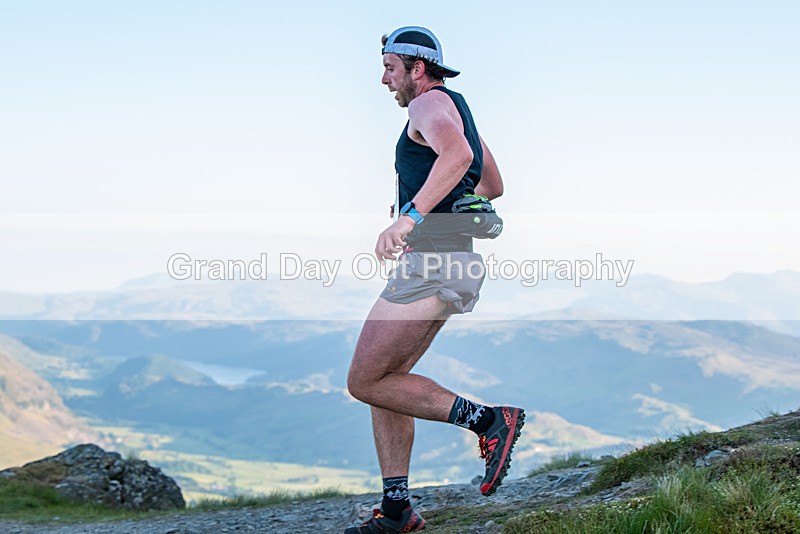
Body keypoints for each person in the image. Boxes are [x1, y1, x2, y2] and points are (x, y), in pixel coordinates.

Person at [345, 26, 525, 533]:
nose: (384, 80)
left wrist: (409, 217)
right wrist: (446, 200)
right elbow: (492, 184)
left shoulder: (425, 106)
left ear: (416, 68)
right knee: (388, 382)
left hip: (432, 260)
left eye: (389, 68)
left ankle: (489, 421)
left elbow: (461, 159)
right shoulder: (455, 110)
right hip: (457, 261)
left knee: (364, 381)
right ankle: (398, 510)